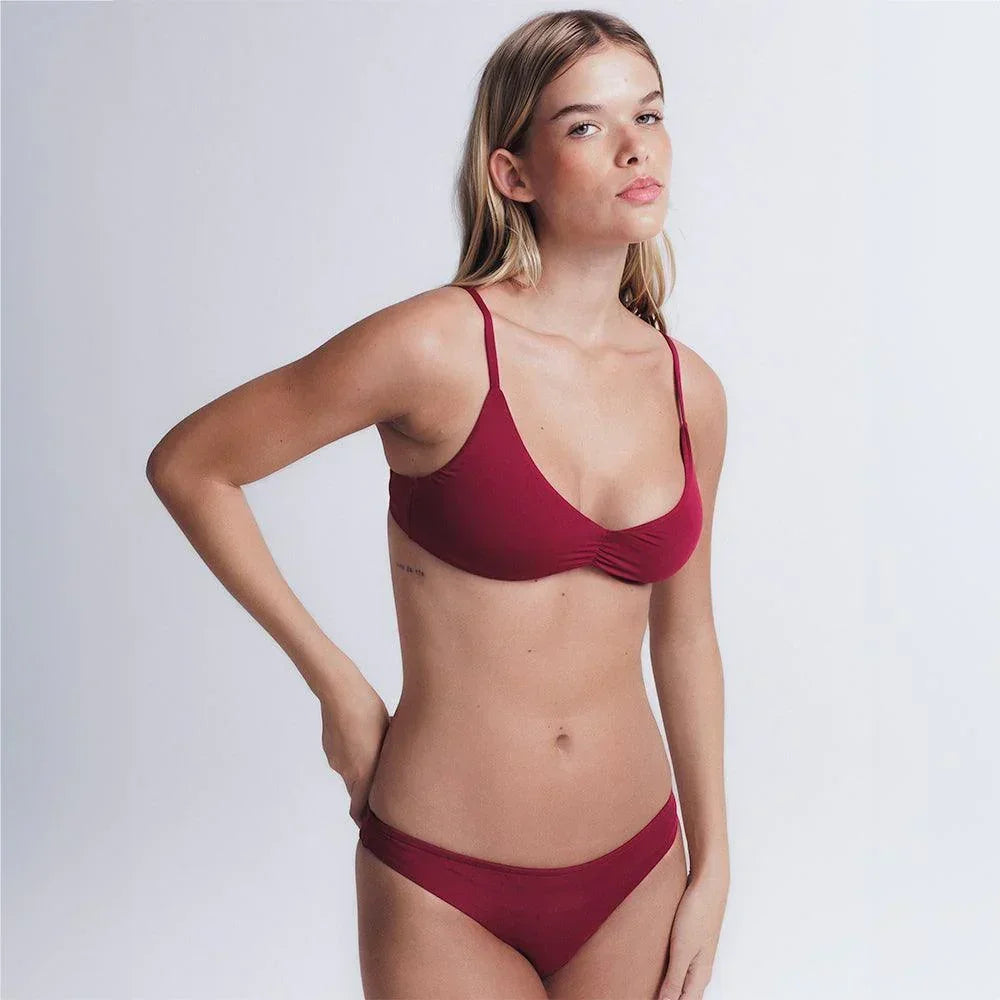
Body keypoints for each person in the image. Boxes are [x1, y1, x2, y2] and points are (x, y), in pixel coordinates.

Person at [146, 9, 730, 999]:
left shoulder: (689, 392)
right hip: (444, 878)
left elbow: (685, 632)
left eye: (649, 114)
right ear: (513, 173)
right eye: (585, 125)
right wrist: (337, 686)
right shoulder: (435, 348)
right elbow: (193, 465)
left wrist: (713, 865)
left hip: (638, 871)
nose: (635, 147)